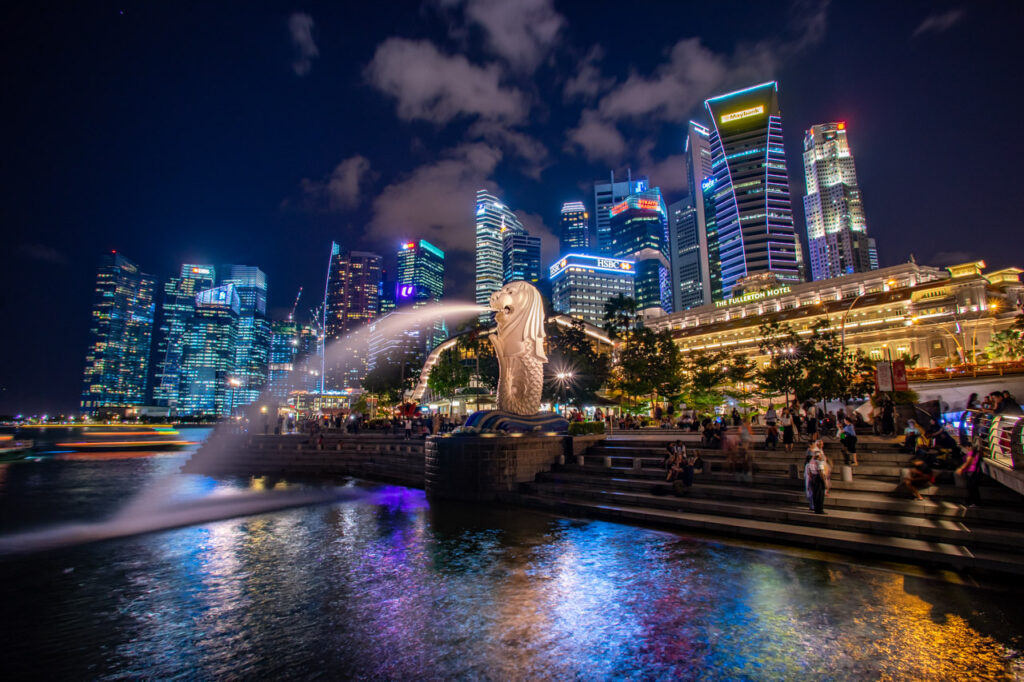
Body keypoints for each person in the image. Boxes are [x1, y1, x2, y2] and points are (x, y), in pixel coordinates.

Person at [956, 443, 983, 507]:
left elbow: (967, 462)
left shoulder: (971, 453)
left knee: (971, 488)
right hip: (975, 472)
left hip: (971, 472)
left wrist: (961, 469)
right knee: (973, 488)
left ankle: (974, 502)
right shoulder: (978, 454)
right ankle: (974, 502)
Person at [805, 449, 828, 514]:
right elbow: (821, 472)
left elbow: (809, 472)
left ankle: (816, 508)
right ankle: (820, 509)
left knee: (815, 494)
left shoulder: (810, 462)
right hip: (818, 478)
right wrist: (825, 482)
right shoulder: (819, 462)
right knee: (820, 495)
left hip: (813, 479)